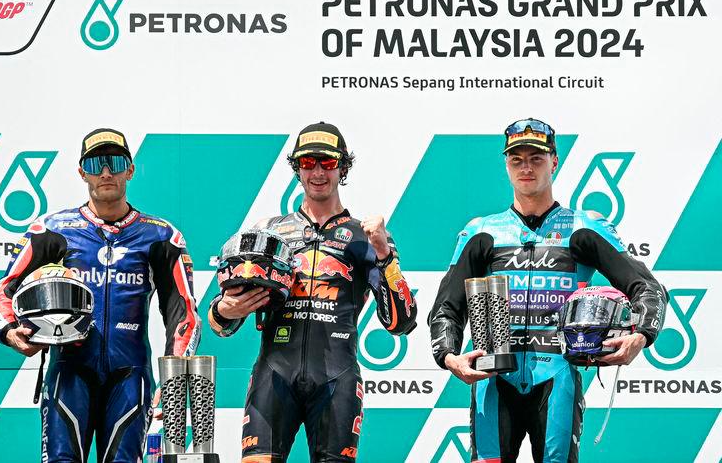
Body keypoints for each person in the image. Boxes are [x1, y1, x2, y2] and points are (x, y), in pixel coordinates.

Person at [428, 118, 667, 463]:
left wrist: (640, 336)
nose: (526, 167)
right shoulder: (482, 232)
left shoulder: (582, 228)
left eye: (536, 158)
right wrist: (449, 357)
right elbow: (446, 307)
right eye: (517, 159)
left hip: (557, 377)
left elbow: (648, 287)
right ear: (506, 165)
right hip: (493, 379)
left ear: (554, 161)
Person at [0, 128, 201, 463]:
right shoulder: (53, 229)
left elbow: (183, 314)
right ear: (82, 172)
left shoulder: (161, 236)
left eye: (115, 162)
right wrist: (11, 331)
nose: (106, 173)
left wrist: (172, 383)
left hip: (130, 375)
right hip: (70, 371)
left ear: (130, 169)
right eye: (97, 163)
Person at [208, 121, 418, 462]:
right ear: (296, 168)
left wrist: (385, 256)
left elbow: (402, 322)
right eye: (307, 163)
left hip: (337, 379)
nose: (318, 172)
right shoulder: (268, 232)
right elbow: (222, 322)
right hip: (273, 377)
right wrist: (224, 311)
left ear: (343, 167)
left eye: (328, 163)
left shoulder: (367, 236)